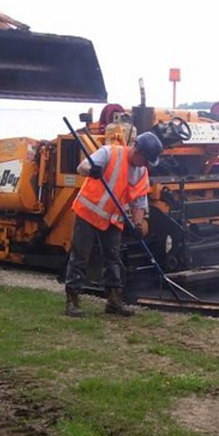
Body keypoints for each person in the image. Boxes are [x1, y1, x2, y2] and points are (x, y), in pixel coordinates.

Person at [64, 131, 163, 318]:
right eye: (146, 159)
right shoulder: (109, 153)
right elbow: (82, 167)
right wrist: (92, 171)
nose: (146, 164)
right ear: (137, 151)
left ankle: (114, 301)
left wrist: (138, 224)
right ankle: (72, 301)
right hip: (88, 213)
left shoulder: (141, 171)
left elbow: (139, 201)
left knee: (113, 258)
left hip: (112, 218)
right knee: (80, 256)